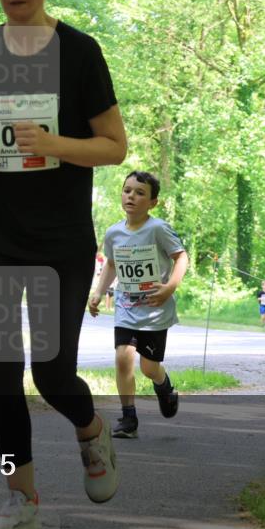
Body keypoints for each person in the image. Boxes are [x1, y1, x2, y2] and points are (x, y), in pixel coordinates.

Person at [0, 0, 128, 529]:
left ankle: (91, 429)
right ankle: (21, 499)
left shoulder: (80, 52)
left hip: (59, 238)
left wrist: (54, 144)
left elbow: (114, 146)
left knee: (51, 374)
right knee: (0, 365)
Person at [89, 172, 188, 440]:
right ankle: (128, 418)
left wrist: (169, 288)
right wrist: (98, 293)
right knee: (123, 358)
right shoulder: (114, 232)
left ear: (153, 202)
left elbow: (181, 258)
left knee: (149, 367)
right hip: (126, 307)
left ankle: (164, 386)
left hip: (155, 310)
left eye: (140, 192)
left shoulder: (158, 229)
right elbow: (111, 263)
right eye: (127, 190)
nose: (131, 196)